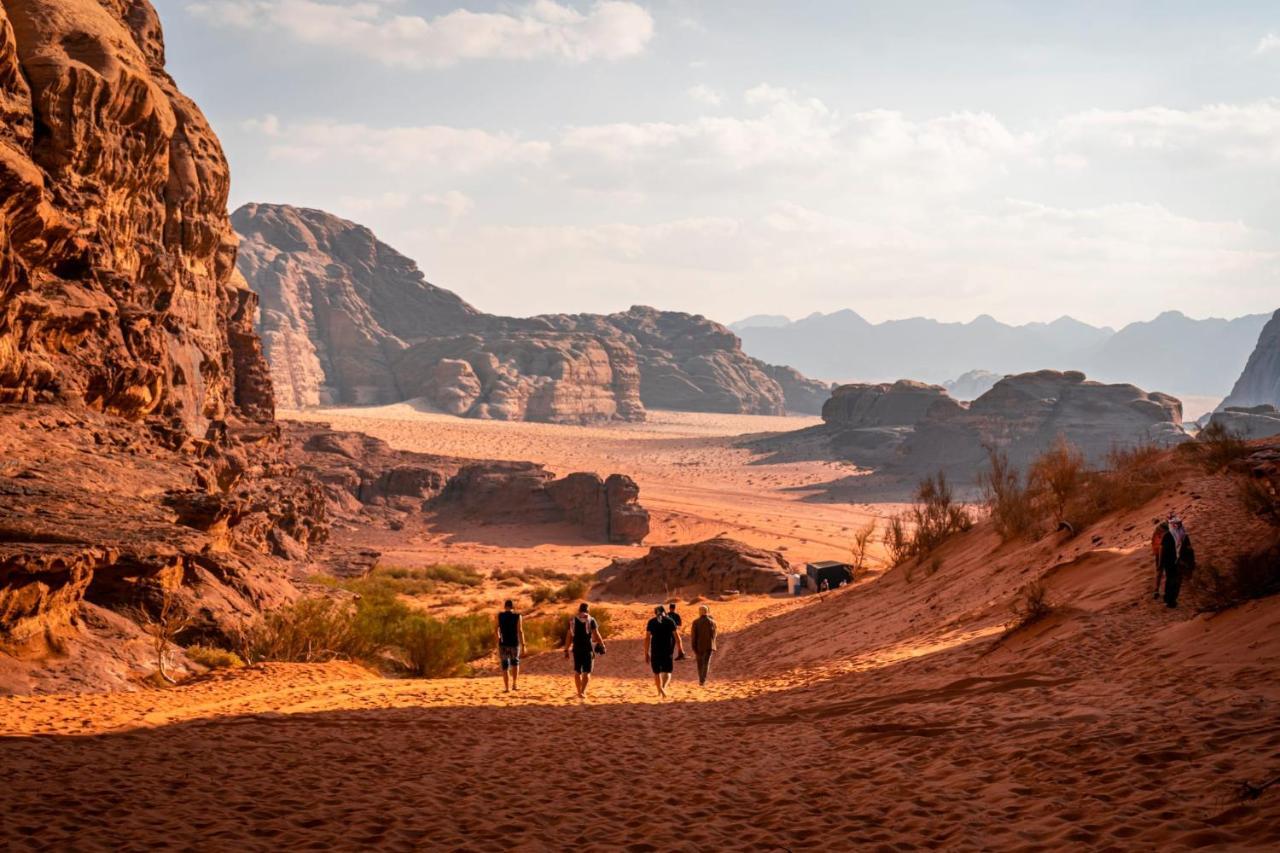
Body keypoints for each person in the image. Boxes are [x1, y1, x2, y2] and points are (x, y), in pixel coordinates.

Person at [563, 602, 605, 698]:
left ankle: (578, 692)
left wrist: (566, 650)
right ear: (587, 610)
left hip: (576, 648)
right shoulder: (591, 620)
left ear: (579, 610)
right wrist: (602, 644)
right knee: (587, 671)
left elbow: (569, 636)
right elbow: (596, 634)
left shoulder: (572, 620)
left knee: (577, 671)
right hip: (588, 648)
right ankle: (582, 692)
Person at [644, 605, 683, 697]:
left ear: (655, 613)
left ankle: (660, 690)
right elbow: (677, 637)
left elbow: (647, 638)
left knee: (656, 672)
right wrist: (680, 650)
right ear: (664, 612)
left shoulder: (651, 622)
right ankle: (663, 688)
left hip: (655, 650)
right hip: (668, 650)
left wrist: (646, 653)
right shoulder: (670, 621)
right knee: (668, 671)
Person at [1158, 514, 1196, 608]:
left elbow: (1189, 549)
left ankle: (1171, 600)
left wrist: (1190, 561)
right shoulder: (1168, 536)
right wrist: (1160, 563)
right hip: (1170, 562)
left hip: (1178, 562)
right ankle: (1169, 599)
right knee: (1172, 580)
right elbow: (1162, 550)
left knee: (1176, 581)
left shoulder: (1183, 535)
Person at [495, 599, 525, 692]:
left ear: (505, 607)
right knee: (515, 663)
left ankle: (507, 687)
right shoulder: (518, 616)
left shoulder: (499, 616)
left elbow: (496, 629)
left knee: (505, 665)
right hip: (514, 643)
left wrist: (498, 640)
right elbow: (520, 630)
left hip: (503, 644)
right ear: (513, 607)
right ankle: (515, 684)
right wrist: (523, 644)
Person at [690, 604, 718, 686]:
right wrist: (713, 643)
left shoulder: (695, 622)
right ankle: (702, 680)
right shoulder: (712, 622)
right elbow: (714, 634)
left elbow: (693, 636)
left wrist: (693, 646)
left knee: (700, 663)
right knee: (706, 663)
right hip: (709, 645)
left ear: (699, 612)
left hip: (699, 646)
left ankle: (701, 679)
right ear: (707, 612)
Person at [1151, 517, 1171, 599]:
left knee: (1159, 570)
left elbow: (1155, 544)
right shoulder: (1166, 529)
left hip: (1160, 550)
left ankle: (1156, 590)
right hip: (1165, 549)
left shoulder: (1157, 530)